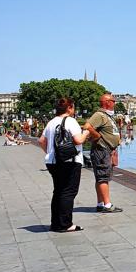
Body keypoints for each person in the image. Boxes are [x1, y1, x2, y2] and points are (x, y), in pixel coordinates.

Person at [38, 97, 88, 232]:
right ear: (69, 108)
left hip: (52, 162)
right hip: (69, 161)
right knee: (68, 192)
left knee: (58, 191)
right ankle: (65, 224)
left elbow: (41, 141)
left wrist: (50, 152)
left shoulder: (51, 122)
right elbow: (78, 140)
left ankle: (55, 223)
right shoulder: (71, 121)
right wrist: (86, 133)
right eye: (73, 107)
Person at [83, 93, 123, 212]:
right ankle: (107, 205)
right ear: (107, 102)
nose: (115, 103)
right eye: (113, 101)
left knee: (101, 178)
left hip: (106, 151)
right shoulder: (99, 115)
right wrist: (98, 136)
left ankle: (100, 203)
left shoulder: (107, 116)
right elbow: (87, 126)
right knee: (103, 177)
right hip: (101, 151)